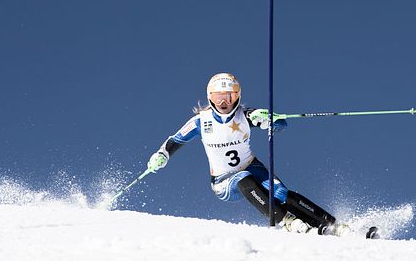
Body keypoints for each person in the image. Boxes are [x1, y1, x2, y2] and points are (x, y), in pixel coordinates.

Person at [147, 72, 356, 236]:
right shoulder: (201, 121)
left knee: (281, 193)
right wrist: (161, 155)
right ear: (210, 98)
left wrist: (270, 120)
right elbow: (175, 140)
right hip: (223, 181)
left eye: (229, 97)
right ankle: (286, 220)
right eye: (219, 98)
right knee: (243, 179)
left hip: (252, 166)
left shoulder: (246, 115)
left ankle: (331, 224)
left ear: (237, 97)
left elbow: (281, 123)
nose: (224, 103)